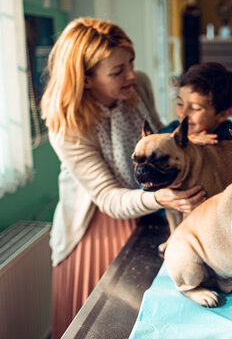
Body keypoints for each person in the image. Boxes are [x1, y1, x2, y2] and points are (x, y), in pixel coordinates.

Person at [40, 18, 206, 339]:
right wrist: (160, 198)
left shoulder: (138, 85)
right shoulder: (67, 125)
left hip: (149, 203)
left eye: (131, 63)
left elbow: (158, 134)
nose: (131, 74)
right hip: (97, 225)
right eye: (117, 71)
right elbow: (108, 198)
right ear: (86, 79)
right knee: (110, 321)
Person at [160, 62, 232, 141]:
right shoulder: (170, 131)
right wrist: (187, 141)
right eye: (180, 103)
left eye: (195, 108)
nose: (183, 113)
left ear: (222, 114)